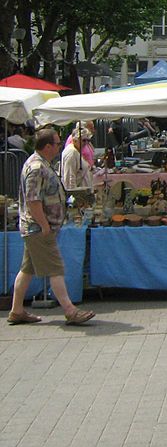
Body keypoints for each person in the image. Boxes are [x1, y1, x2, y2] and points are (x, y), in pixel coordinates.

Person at [8, 128, 95, 326]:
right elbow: (33, 200)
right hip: (38, 229)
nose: (59, 146)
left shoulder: (41, 163)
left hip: (36, 228)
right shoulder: (37, 167)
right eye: (57, 143)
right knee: (56, 269)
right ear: (47, 146)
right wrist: (44, 226)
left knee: (27, 269)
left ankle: (16, 310)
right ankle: (70, 310)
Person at [60, 126, 93, 191]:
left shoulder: (76, 151)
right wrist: (74, 196)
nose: (86, 143)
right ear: (75, 140)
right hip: (79, 196)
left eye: (88, 140)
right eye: (83, 140)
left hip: (84, 194)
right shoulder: (71, 153)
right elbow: (69, 178)